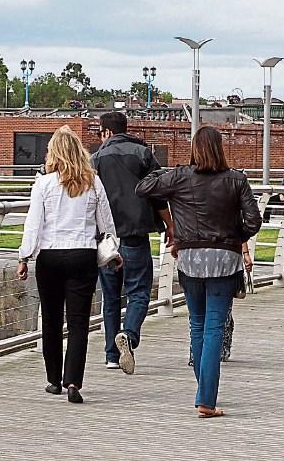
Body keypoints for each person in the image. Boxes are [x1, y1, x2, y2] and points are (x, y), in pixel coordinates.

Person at [136, 126, 261, 418]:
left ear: (194, 149)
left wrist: (164, 170)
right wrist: (235, 237)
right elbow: (254, 220)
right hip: (225, 260)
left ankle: (204, 392)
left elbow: (143, 188)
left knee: (197, 325)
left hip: (190, 259)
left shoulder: (180, 177)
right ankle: (206, 397)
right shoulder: (236, 180)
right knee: (215, 327)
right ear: (220, 148)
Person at [17, 125, 117, 404]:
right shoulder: (93, 182)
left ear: (54, 154)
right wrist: (114, 250)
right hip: (82, 255)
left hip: (50, 257)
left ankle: (53, 380)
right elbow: (106, 222)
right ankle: (73, 381)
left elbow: (33, 225)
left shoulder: (44, 184)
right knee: (78, 322)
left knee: (51, 320)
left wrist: (24, 256)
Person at [91, 111, 174, 375]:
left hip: (107, 238)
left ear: (106, 132)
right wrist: (170, 225)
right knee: (139, 292)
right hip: (136, 234)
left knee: (111, 296)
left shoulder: (96, 159)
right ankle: (129, 333)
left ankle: (111, 355)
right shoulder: (143, 154)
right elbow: (159, 193)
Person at [188, 240, 253, 366]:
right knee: (220, 312)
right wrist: (245, 253)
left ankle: (197, 354)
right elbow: (240, 227)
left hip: (198, 261)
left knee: (198, 315)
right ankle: (218, 350)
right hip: (223, 260)